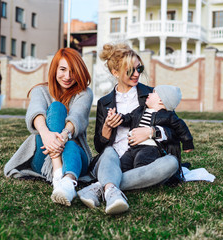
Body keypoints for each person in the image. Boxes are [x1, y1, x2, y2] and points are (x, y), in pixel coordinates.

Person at [77, 43, 180, 215]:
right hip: (113, 160)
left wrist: (151, 132)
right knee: (109, 152)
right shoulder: (104, 103)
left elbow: (174, 130)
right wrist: (107, 129)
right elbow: (99, 146)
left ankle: (102, 187)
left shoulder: (152, 95)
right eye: (130, 70)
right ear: (115, 73)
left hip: (145, 159)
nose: (137, 74)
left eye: (139, 68)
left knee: (172, 163)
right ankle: (111, 189)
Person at [4, 48, 93, 207]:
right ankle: (59, 174)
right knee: (57, 108)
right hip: (43, 157)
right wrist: (46, 135)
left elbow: (77, 117)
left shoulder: (84, 93)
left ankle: (67, 184)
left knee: (71, 143)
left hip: (76, 158)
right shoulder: (40, 90)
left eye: (73, 71)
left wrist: (63, 136)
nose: (67, 76)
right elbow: (35, 112)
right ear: (54, 69)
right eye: (63, 69)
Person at [117, 85, 194, 172]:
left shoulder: (168, 115)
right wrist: (118, 117)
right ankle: (124, 179)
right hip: (133, 148)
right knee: (123, 163)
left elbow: (181, 127)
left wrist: (187, 143)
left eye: (153, 92)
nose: (149, 93)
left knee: (142, 163)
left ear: (161, 100)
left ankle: (139, 182)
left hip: (150, 148)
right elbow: (129, 118)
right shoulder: (140, 110)